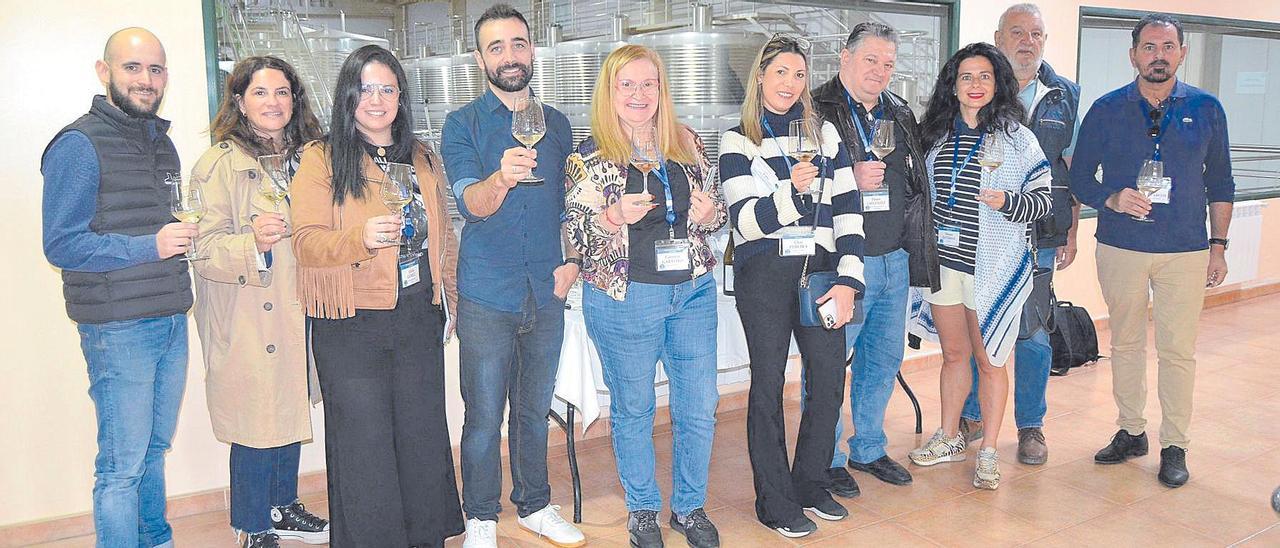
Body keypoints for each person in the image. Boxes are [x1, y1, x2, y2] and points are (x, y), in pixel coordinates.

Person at [290, 44, 463, 546]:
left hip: (416, 316)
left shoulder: (422, 156)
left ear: (401, 97)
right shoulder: (321, 158)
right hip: (351, 323)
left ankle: (425, 537)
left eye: (388, 88)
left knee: (421, 435)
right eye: (366, 88)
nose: (378, 99)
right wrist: (359, 239)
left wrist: (450, 299)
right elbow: (305, 243)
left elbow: (444, 237)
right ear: (349, 95)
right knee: (364, 445)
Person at [564, 44, 727, 548]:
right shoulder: (589, 157)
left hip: (693, 292)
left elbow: (717, 211)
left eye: (648, 83)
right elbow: (575, 230)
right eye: (627, 85)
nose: (639, 94)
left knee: (698, 405)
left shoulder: (688, 143)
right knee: (634, 410)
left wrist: (708, 216)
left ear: (662, 89)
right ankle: (642, 511)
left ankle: (689, 507)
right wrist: (613, 217)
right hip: (625, 297)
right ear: (610, 92)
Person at [41, 27, 193, 548]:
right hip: (117, 329)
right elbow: (62, 245)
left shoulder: (161, 143)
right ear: (104, 72)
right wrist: (149, 246)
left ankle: (157, 541)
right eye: (132, 68)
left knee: (152, 451)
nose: (145, 80)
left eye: (155, 69)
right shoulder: (78, 144)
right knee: (121, 467)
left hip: (171, 317)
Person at [440, 4, 585, 547]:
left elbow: (574, 206)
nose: (509, 56)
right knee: (482, 417)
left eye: (518, 44)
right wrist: (501, 178)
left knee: (532, 411)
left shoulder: (560, 125)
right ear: (480, 59)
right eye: (496, 47)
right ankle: (480, 517)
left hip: (546, 292)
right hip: (487, 295)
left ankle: (534, 505)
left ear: (532, 50)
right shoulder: (462, 125)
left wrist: (573, 261)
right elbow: (470, 205)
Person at [1070, 13, 1233, 488]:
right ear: (1133, 54)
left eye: (1167, 46)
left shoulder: (1206, 108)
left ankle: (1175, 443)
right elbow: (1079, 178)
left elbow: (1221, 182)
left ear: (1182, 53)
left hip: (1185, 250)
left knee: (1178, 350)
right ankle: (1131, 430)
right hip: (1121, 246)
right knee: (1125, 342)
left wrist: (1218, 247)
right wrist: (1112, 197)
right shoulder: (1105, 108)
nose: (1157, 55)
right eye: (1148, 46)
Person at [719, 33, 865, 539]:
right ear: (760, 75)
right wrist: (792, 193)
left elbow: (848, 210)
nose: (790, 82)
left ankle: (809, 482)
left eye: (799, 74)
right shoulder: (737, 138)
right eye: (780, 71)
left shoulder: (825, 134)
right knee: (767, 387)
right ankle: (774, 499)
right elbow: (744, 221)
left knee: (828, 380)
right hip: (763, 274)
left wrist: (850, 279)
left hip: (821, 273)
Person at [189, 56, 329, 548]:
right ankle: (251, 523)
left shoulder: (311, 156)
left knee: (287, 406)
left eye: (283, 92)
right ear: (240, 101)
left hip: (298, 304)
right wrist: (254, 243)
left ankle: (283, 504)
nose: (274, 103)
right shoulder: (219, 164)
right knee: (255, 417)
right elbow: (202, 249)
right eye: (262, 93)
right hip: (247, 309)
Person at [906, 42, 1051, 491]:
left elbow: (1043, 203)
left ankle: (987, 448)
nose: (975, 85)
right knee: (953, 355)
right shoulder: (935, 136)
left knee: (990, 360)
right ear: (953, 84)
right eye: (966, 76)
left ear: (998, 83)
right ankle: (950, 436)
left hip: (992, 266)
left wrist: (1008, 201)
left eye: (984, 76)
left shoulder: (1018, 138)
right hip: (944, 264)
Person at [809, 21, 939, 493]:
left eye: (888, 64)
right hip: (842, 263)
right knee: (827, 367)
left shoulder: (899, 112)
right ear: (845, 58)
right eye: (871, 60)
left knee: (881, 362)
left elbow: (912, 184)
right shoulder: (815, 108)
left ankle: (868, 449)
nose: (880, 72)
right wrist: (844, 178)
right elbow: (797, 181)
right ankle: (824, 457)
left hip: (893, 258)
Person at [959, 2, 1082, 466]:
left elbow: (1067, 165)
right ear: (998, 36)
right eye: (1017, 32)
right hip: (984, 231)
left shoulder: (1065, 93)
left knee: (1031, 333)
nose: (1026, 41)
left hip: (1041, 234)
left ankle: (1031, 426)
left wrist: (1069, 229)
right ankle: (972, 414)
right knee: (981, 323)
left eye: (1036, 33)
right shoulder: (980, 86)